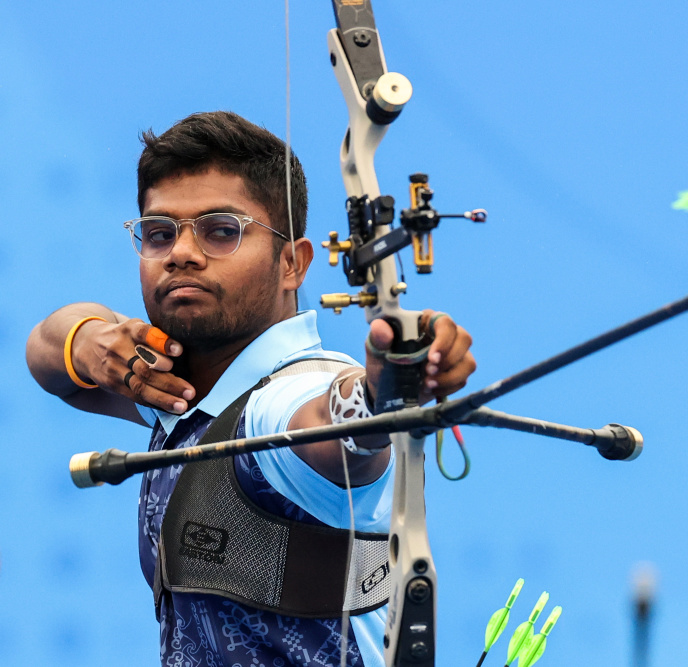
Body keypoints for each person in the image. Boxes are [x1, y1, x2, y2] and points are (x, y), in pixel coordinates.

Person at [25, 111, 476, 667]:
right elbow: (45, 355)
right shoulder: (173, 390)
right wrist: (89, 341)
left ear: (293, 263)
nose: (181, 252)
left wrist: (382, 390)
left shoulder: (284, 394)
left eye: (221, 230)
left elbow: (327, 426)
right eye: (159, 233)